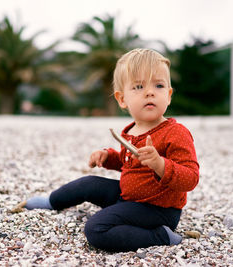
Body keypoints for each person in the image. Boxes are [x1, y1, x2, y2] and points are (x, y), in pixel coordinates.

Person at [12, 48, 200, 252]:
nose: (150, 91)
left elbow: (191, 178)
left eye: (159, 85)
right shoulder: (130, 130)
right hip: (128, 196)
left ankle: (161, 235)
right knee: (88, 183)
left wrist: (160, 164)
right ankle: (51, 201)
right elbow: (130, 162)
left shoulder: (176, 133)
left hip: (158, 209)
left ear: (169, 95)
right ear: (122, 99)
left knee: (96, 229)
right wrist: (109, 157)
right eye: (138, 86)